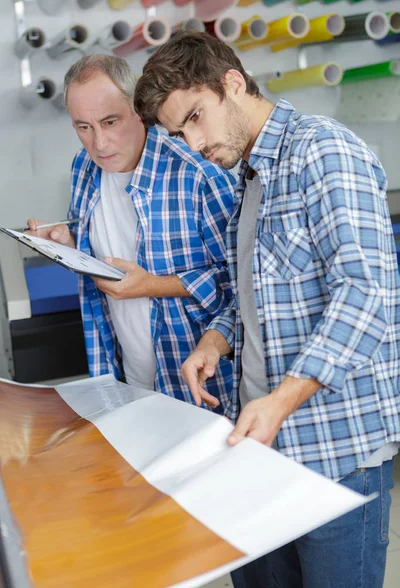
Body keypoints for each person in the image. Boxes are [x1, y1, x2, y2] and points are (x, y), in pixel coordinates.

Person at [134, 31, 400, 588]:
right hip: (258, 451)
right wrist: (216, 339)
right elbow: (255, 292)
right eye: (179, 133)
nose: (193, 142)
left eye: (196, 118)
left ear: (233, 83)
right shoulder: (251, 176)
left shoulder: (324, 151)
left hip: (337, 457)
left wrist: (281, 400)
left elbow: (367, 293)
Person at [27, 54, 236, 416]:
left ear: (139, 108)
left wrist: (151, 285)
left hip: (204, 390)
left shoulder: (198, 173)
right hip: (129, 379)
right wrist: (69, 245)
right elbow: (106, 255)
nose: (100, 143)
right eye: (84, 127)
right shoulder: (84, 168)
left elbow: (240, 287)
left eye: (110, 121)